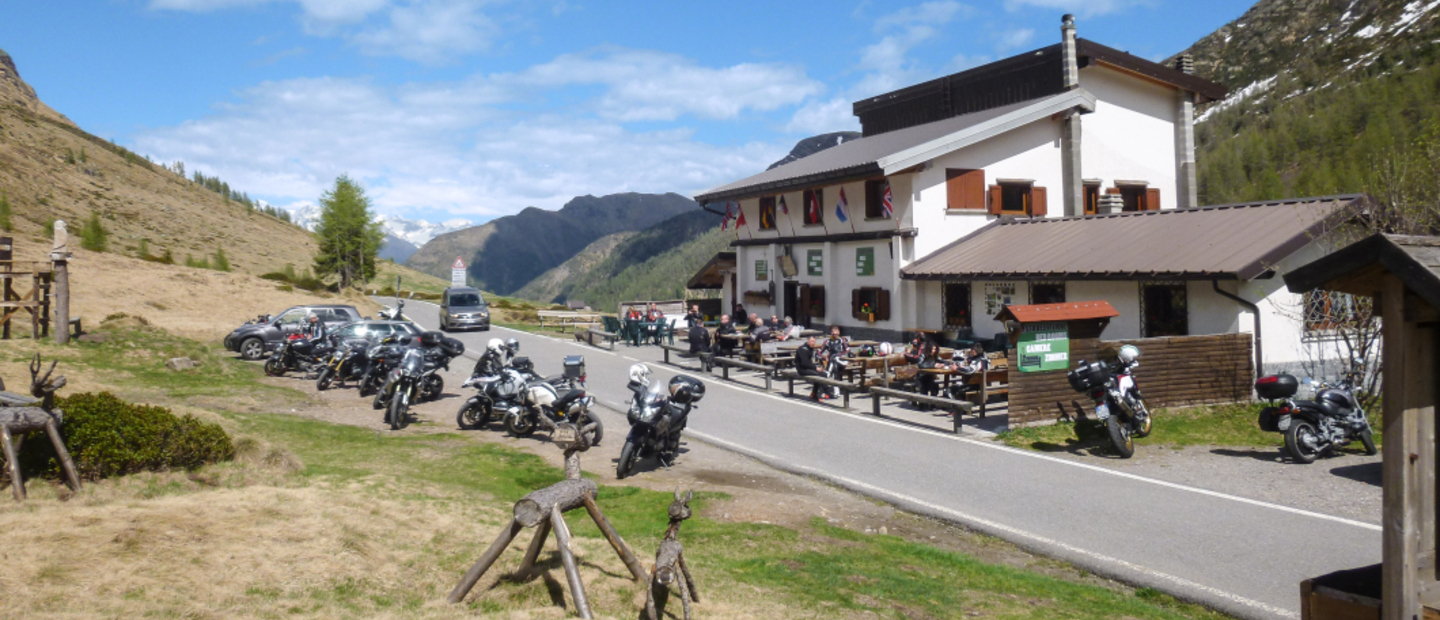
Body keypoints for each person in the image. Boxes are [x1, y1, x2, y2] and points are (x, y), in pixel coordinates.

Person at [795, 335, 824, 401]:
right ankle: (818, 395)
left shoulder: (810, 348)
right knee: (818, 376)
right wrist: (815, 368)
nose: (813, 343)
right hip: (802, 369)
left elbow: (809, 362)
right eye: (812, 341)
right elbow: (804, 363)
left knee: (823, 374)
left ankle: (814, 393)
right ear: (807, 341)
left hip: (807, 368)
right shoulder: (803, 349)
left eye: (814, 342)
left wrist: (815, 367)